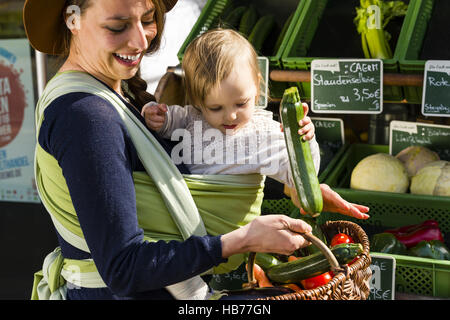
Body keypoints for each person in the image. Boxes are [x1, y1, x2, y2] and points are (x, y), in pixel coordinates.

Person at [24, 0, 369, 300]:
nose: (140, 40)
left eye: (147, 19)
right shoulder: (86, 116)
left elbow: (191, 168)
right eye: (117, 26)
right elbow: (124, 268)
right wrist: (240, 240)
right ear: (73, 20)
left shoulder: (110, 94)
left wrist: (294, 182)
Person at [142, 28, 320, 196]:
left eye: (241, 104)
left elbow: (302, 176)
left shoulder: (267, 133)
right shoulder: (191, 117)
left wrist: (305, 140)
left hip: (237, 224)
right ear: (197, 100)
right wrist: (155, 115)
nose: (231, 116)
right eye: (215, 108)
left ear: (256, 87)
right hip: (189, 213)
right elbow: (165, 123)